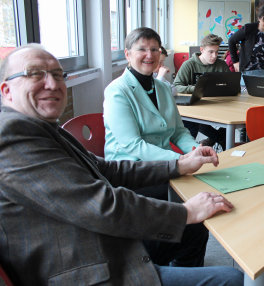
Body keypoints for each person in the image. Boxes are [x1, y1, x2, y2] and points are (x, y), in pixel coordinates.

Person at [0, 44, 243, 285]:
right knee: (233, 279)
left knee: (193, 228)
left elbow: (106, 169)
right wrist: (186, 212)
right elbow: (101, 205)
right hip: (81, 266)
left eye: (57, 74)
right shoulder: (12, 136)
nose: (52, 84)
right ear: (6, 90)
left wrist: (179, 165)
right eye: (34, 74)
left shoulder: (41, 126)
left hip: (100, 240)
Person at [104, 27, 198, 162]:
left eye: (154, 50)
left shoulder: (164, 88)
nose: (149, 55)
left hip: (165, 163)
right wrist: (181, 160)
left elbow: (178, 132)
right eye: (142, 49)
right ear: (127, 54)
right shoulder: (117, 91)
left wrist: (196, 150)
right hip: (130, 167)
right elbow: (133, 145)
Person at [173, 33, 229, 149]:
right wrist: (197, 88)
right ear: (202, 50)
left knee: (228, 123)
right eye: (211, 52)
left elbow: (229, 85)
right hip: (196, 106)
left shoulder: (222, 65)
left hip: (219, 105)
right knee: (195, 123)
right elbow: (176, 86)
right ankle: (216, 141)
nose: (214, 56)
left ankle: (213, 140)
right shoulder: (189, 65)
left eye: (217, 52)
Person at [228, 4, 264, 77]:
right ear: (259, 19)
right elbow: (231, 41)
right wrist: (235, 62)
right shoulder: (248, 28)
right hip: (247, 70)